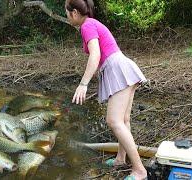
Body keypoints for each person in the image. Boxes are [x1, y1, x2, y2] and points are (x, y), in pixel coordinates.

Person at [65, 0, 148, 179]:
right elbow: (99, 56)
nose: (67, 16)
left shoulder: (87, 26)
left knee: (114, 121)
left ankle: (140, 170)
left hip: (117, 68)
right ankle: (120, 159)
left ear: (74, 13)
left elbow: (96, 55)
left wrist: (83, 84)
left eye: (67, 12)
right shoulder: (91, 24)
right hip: (121, 67)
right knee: (123, 120)